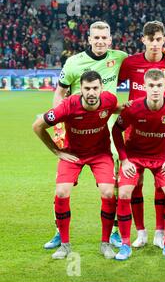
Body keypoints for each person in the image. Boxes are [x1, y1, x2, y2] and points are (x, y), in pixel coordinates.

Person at [44, 21, 128, 251]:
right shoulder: (73, 62)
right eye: (96, 37)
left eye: (104, 37)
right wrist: (59, 126)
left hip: (107, 120)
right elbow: (60, 92)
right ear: (89, 39)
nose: (100, 41)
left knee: (114, 178)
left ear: (110, 40)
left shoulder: (120, 57)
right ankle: (59, 231)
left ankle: (114, 230)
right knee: (62, 186)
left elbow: (144, 64)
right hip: (77, 121)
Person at [32, 71, 124, 260]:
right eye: (87, 89)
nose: (91, 93)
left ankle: (105, 244)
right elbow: (37, 126)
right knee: (62, 192)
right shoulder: (67, 107)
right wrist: (56, 151)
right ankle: (65, 245)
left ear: (101, 88)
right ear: (80, 89)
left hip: (100, 154)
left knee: (108, 192)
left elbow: (114, 108)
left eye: (95, 88)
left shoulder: (108, 100)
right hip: (73, 154)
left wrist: (129, 108)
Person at [118, 21, 165, 250]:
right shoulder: (130, 63)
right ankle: (139, 233)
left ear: (164, 40)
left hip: (161, 130)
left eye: (159, 39)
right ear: (143, 40)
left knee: (161, 185)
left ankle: (160, 232)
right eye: (150, 39)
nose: (155, 44)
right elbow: (110, 84)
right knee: (133, 184)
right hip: (133, 130)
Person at [112, 69, 165, 260]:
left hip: (162, 158)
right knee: (126, 192)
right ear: (144, 87)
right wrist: (124, 159)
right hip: (134, 157)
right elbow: (116, 131)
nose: (155, 89)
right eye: (151, 86)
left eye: (159, 85)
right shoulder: (133, 108)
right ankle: (129, 242)